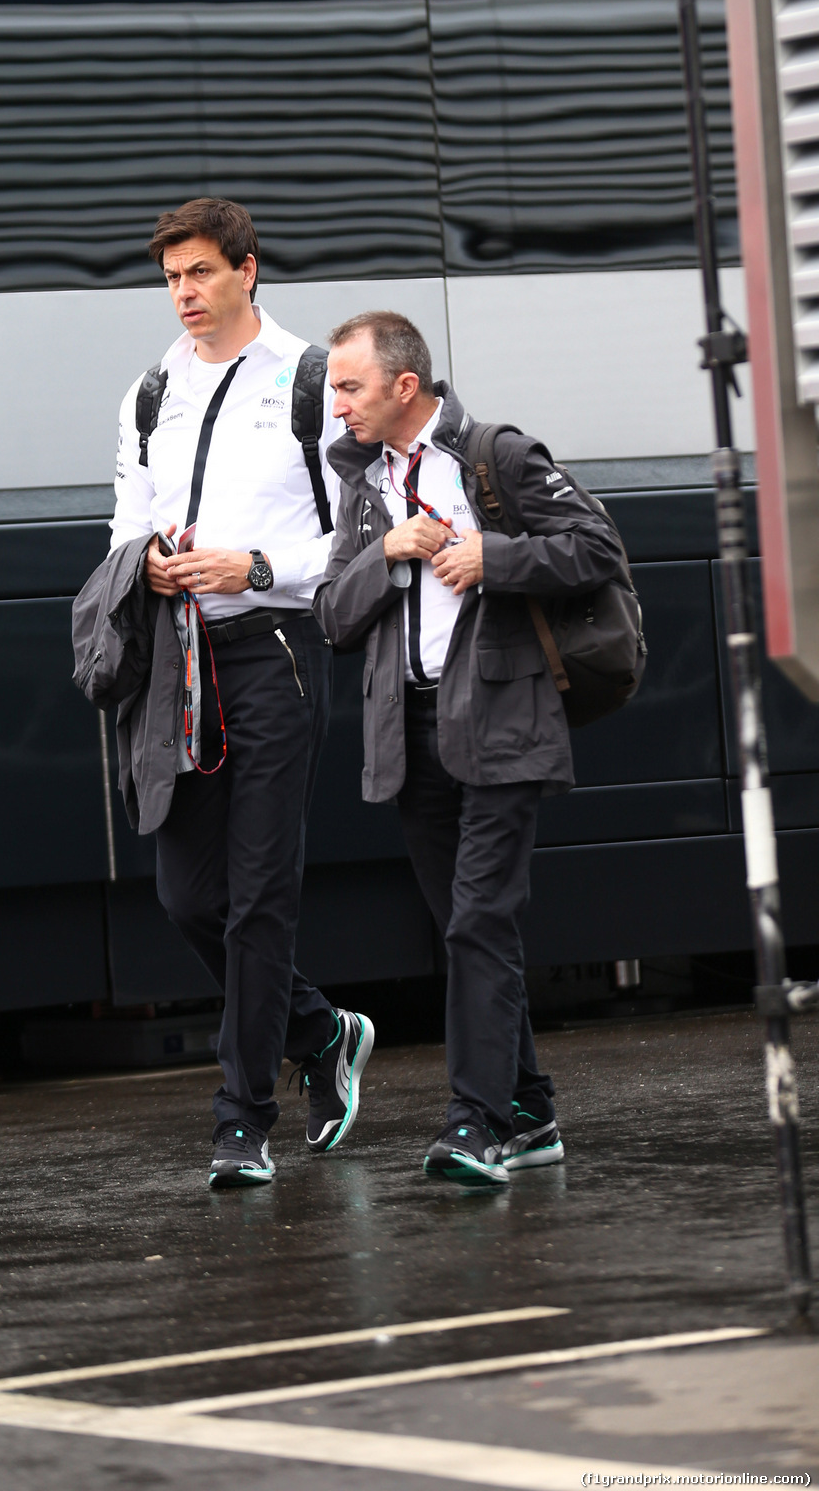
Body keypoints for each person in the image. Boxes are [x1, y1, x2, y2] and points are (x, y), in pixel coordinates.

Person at [101, 197, 374, 1188]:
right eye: (172, 277)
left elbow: (355, 540)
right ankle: (321, 1030)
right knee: (184, 898)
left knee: (259, 896)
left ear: (247, 269)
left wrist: (253, 568)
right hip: (178, 663)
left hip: (275, 654)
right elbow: (123, 520)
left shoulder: (311, 381)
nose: (184, 293)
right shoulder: (147, 393)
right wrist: (151, 565)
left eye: (201, 273)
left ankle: (242, 1117)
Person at [315, 312, 620, 1185]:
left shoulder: (496, 455)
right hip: (407, 731)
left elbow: (596, 547)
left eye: (349, 387)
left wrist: (496, 557)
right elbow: (334, 614)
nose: (336, 406)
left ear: (403, 386)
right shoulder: (365, 484)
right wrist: (388, 550)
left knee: (480, 918)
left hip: (501, 717)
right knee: (466, 925)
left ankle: (475, 1122)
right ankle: (530, 1111)